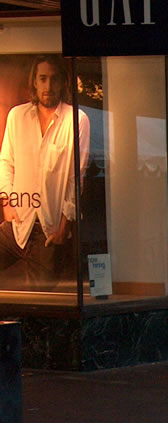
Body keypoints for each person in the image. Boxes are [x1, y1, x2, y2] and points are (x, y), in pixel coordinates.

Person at [0, 54, 90, 289]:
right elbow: (6, 162)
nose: (48, 86)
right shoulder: (17, 116)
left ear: (62, 82)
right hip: (17, 223)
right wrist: (7, 202)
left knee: (41, 304)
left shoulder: (76, 120)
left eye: (54, 79)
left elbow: (75, 178)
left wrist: (64, 227)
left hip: (48, 231)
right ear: (35, 82)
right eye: (43, 78)